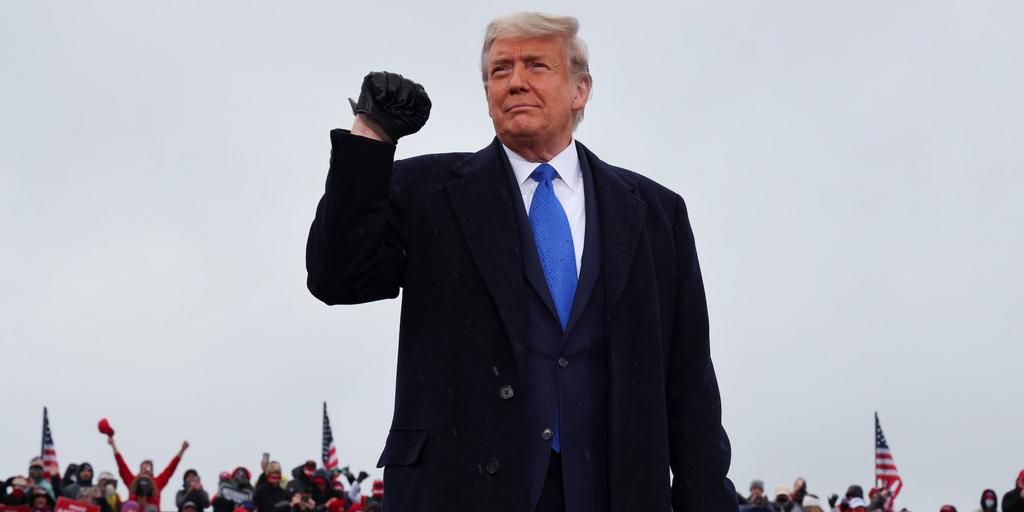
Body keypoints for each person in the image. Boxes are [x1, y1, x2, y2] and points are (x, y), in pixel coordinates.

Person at [305, 10, 735, 512]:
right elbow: (339, 276)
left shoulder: (655, 213)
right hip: (457, 488)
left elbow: (689, 381)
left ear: (580, 90)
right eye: (500, 70)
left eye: (536, 65)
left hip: (617, 489)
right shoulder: (427, 192)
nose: (516, 82)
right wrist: (371, 136)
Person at [109, 436, 189, 510]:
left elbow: (170, 468)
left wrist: (182, 450)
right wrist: (113, 445)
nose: (146, 469)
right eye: (143, 467)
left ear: (152, 471)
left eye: (148, 467)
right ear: (140, 470)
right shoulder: (132, 481)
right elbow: (121, 465)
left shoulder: (157, 482)